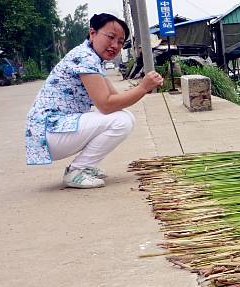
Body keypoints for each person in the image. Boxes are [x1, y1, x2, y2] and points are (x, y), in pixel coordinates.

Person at [25, 13, 164, 189]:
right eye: (111, 37)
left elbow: (115, 100)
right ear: (93, 33)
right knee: (122, 121)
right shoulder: (86, 58)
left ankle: (85, 167)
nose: (115, 45)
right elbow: (106, 105)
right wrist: (143, 87)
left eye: (120, 42)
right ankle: (78, 170)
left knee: (122, 116)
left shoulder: (92, 57)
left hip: (51, 132)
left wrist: (142, 87)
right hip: (50, 133)